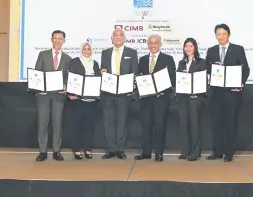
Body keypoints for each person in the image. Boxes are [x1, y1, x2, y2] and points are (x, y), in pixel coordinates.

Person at [205, 23, 250, 162]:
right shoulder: (211, 50)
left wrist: (240, 84)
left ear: (228, 35)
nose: (221, 37)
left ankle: (229, 152)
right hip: (216, 93)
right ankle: (217, 151)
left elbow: (245, 69)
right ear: (216, 36)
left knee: (230, 122)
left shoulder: (238, 49)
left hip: (231, 93)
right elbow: (207, 68)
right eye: (219, 34)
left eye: (224, 34)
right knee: (216, 123)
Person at [134, 34, 176, 162]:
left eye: (155, 43)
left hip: (161, 99)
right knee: (146, 126)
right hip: (146, 100)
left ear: (160, 44)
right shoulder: (142, 60)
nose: (153, 45)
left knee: (159, 126)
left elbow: (172, 79)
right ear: (147, 45)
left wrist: (162, 91)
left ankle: (159, 153)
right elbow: (138, 78)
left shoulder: (168, 59)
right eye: (150, 43)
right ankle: (146, 152)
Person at [100, 28, 138, 159]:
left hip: (124, 94)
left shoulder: (131, 53)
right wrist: (102, 72)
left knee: (122, 122)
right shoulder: (105, 53)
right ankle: (111, 149)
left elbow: (135, 72)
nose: (118, 37)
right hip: (108, 93)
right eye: (115, 35)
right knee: (108, 122)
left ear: (124, 38)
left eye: (120, 35)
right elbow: (103, 70)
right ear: (112, 38)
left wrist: (131, 89)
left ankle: (120, 149)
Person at [35, 30, 72, 162]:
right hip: (43, 95)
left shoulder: (68, 58)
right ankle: (42, 151)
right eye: (55, 38)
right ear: (51, 40)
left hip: (58, 96)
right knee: (42, 124)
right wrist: (38, 88)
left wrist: (66, 86)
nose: (57, 41)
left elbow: (68, 77)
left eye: (60, 39)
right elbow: (37, 73)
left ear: (64, 41)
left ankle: (56, 151)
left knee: (57, 124)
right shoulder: (43, 54)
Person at [66, 42, 100, 160]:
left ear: (91, 51)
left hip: (91, 101)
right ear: (81, 50)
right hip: (77, 100)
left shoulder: (95, 64)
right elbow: (71, 79)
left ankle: (87, 148)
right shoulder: (74, 62)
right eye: (84, 49)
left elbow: (98, 80)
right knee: (76, 126)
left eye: (88, 49)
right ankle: (76, 149)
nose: (86, 51)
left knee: (89, 127)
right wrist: (71, 94)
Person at [176, 38, 207, 161]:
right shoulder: (181, 63)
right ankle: (185, 151)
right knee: (184, 124)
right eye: (186, 46)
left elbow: (203, 79)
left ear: (195, 48)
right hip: (183, 98)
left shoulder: (201, 62)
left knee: (194, 125)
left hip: (196, 98)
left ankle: (195, 152)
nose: (188, 48)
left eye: (190, 46)